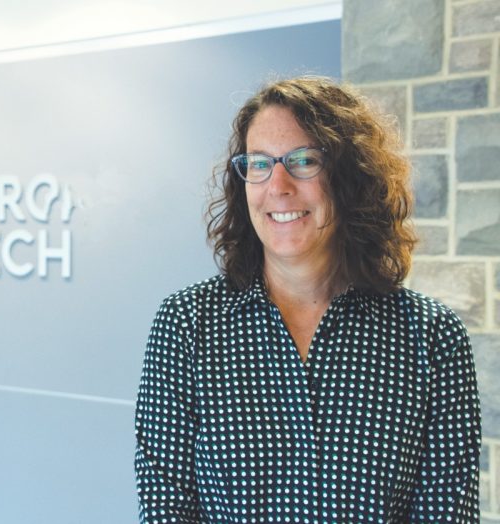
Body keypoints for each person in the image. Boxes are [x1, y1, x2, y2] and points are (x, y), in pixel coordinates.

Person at [134, 76, 481, 523]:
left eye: (303, 160)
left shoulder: (430, 337)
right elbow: (167, 508)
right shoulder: (188, 324)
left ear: (349, 178)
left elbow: (447, 515)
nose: (277, 185)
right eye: (258, 164)